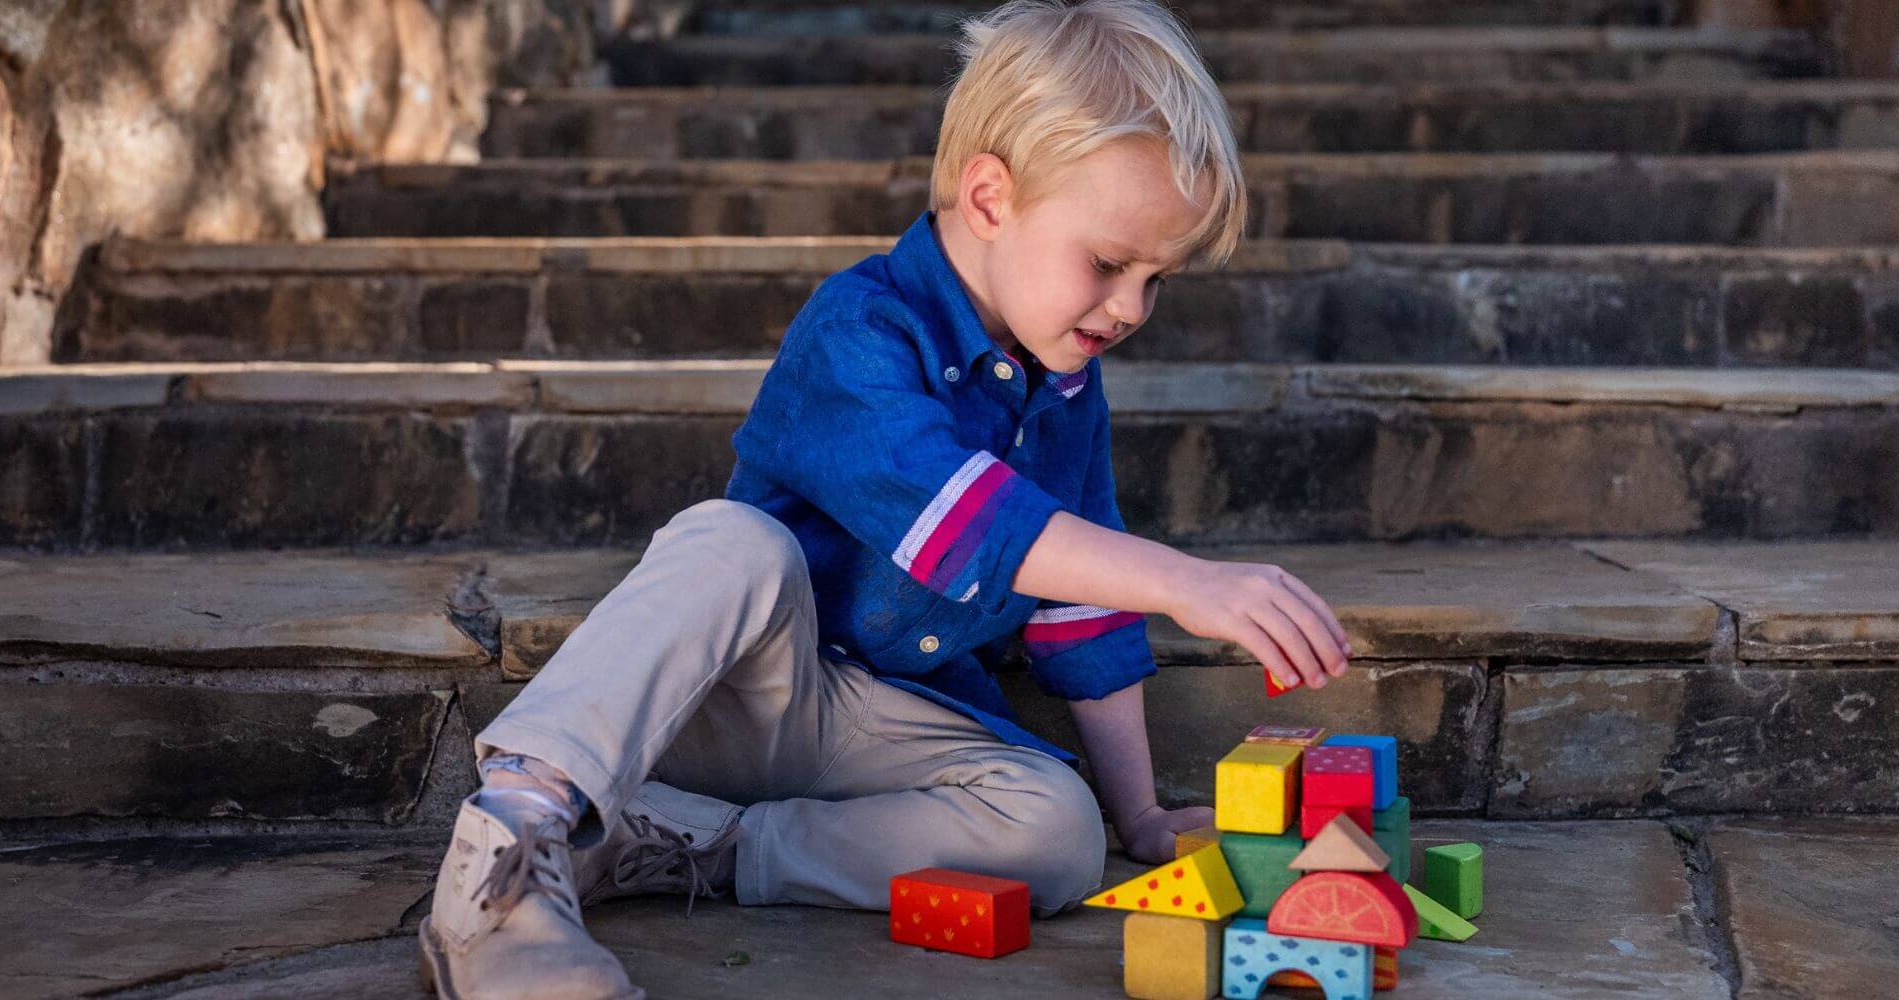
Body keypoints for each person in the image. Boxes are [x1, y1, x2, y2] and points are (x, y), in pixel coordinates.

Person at [419, 2, 1353, 995]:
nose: (1130, 308)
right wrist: (1186, 582)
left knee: (1058, 832)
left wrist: (1139, 814)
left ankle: (701, 846)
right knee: (733, 543)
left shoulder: (1066, 384)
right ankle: (510, 850)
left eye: (1156, 280)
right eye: (1110, 264)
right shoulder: (858, 329)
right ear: (991, 198)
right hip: (739, 691)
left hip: (887, 722)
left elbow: (1082, 609)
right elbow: (956, 519)